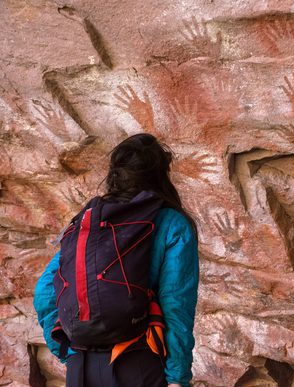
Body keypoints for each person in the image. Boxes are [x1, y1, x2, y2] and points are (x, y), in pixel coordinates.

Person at [33, 133, 199, 387]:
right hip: (139, 363)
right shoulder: (170, 223)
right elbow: (176, 303)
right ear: (161, 175)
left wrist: (69, 354)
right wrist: (177, 377)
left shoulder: (87, 224)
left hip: (82, 368)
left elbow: (45, 291)